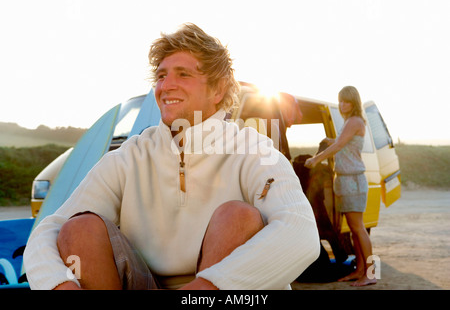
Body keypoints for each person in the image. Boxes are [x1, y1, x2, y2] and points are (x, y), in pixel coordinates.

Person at [24, 23, 320, 290]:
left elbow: (300, 231)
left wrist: (206, 287)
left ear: (218, 89)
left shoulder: (253, 149)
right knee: (78, 227)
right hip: (141, 283)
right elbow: (49, 229)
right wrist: (59, 284)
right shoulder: (131, 156)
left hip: (218, 292)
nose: (166, 86)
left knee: (238, 217)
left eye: (183, 74)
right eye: (162, 76)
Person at [304, 86, 376, 286]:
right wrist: (332, 139)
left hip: (353, 180)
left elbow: (339, 146)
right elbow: (342, 143)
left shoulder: (354, 121)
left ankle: (369, 273)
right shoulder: (350, 122)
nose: (343, 105)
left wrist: (316, 160)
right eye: (341, 101)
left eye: (347, 101)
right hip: (345, 180)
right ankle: (360, 270)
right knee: (353, 229)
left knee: (358, 228)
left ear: (354, 103)